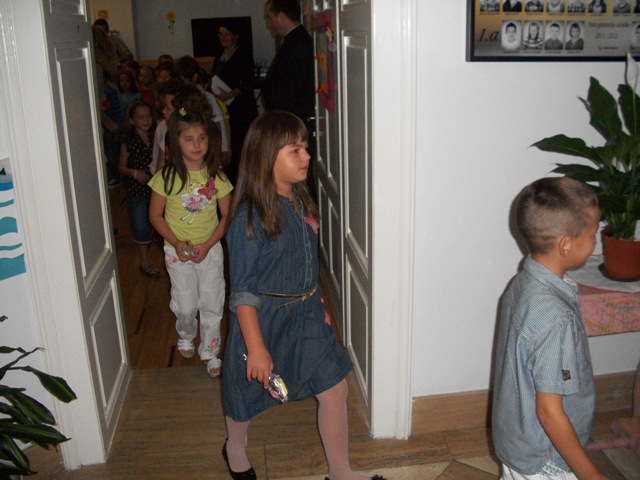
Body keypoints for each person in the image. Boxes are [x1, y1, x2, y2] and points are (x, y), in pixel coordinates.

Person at [221, 111, 387, 480]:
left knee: (335, 388)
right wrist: (256, 347)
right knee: (246, 394)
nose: (307, 156)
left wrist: (318, 303)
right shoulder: (250, 218)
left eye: (305, 147)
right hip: (264, 320)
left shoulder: (300, 200)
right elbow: (243, 291)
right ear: (267, 157)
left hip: (306, 315)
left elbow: (308, 262)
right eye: (294, 150)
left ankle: (341, 473)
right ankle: (235, 446)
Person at [492, 177, 607, 480]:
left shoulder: (522, 283)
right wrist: (590, 474)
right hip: (544, 460)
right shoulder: (555, 317)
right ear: (566, 244)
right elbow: (549, 410)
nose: (595, 242)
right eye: (592, 234)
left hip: (517, 441)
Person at [148, 108, 232, 378]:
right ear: (176, 142)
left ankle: (211, 351)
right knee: (185, 305)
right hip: (176, 252)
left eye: (202, 138)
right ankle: (186, 333)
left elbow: (227, 217)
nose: (197, 145)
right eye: (189, 139)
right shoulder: (166, 177)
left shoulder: (217, 177)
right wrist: (176, 242)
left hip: (210, 251)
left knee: (212, 302)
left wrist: (208, 245)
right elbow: (155, 215)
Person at [211, 21, 259, 185]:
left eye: (227, 34)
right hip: (224, 108)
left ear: (235, 36)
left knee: (242, 147)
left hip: (242, 110)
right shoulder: (219, 55)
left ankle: (245, 182)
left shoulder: (243, 55)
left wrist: (229, 95)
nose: (223, 38)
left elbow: (247, 82)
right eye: (220, 34)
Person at [118, 101, 159, 277]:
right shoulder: (129, 141)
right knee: (141, 226)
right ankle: (144, 261)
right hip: (138, 191)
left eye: (148, 116)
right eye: (140, 117)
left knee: (156, 224)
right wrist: (135, 173)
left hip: (155, 189)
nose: (146, 120)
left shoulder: (156, 137)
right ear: (132, 120)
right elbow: (121, 167)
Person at [175, 55, 230, 165]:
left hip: (207, 144)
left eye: (183, 79)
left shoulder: (208, 97)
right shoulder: (179, 96)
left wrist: (224, 149)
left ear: (194, 77)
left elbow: (219, 122)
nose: (181, 83)